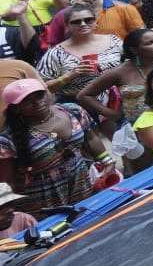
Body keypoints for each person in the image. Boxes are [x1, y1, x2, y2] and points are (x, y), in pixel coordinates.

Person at [0, 78, 110, 215]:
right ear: (16, 109)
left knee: (86, 220)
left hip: (81, 184)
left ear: (48, 94)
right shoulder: (7, 139)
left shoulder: (72, 111)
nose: (37, 102)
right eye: (27, 100)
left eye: (40, 95)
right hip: (41, 201)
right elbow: (5, 180)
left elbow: (91, 138)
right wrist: (5, 210)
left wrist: (106, 161)